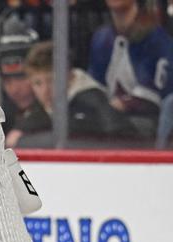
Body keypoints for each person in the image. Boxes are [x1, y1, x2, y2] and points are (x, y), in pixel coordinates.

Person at [10, 40, 142, 147]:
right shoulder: (41, 108)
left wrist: (22, 141)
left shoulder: (92, 102)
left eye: (51, 81)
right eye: (37, 83)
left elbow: (123, 141)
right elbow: (13, 138)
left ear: (69, 77)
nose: (45, 91)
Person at [87, 0, 173, 136]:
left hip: (146, 124)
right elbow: (94, 85)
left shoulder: (156, 38)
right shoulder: (101, 38)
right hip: (106, 121)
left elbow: (151, 99)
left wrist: (111, 108)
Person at [0, 18, 39, 134]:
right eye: (6, 80)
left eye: (21, 78)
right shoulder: (1, 119)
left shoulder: (62, 115)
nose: (15, 89)